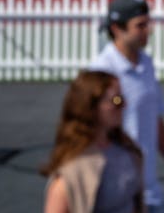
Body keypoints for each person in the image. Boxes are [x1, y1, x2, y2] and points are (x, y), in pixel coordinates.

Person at [90, 0, 164, 213]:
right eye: (140, 25)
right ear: (117, 29)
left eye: (148, 23)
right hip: (119, 196)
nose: (149, 31)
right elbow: (91, 131)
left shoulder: (146, 64)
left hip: (151, 192)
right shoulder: (101, 70)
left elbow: (154, 119)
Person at [41, 70, 144, 213]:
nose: (124, 105)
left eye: (123, 98)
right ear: (91, 107)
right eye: (117, 100)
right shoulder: (72, 172)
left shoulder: (127, 150)